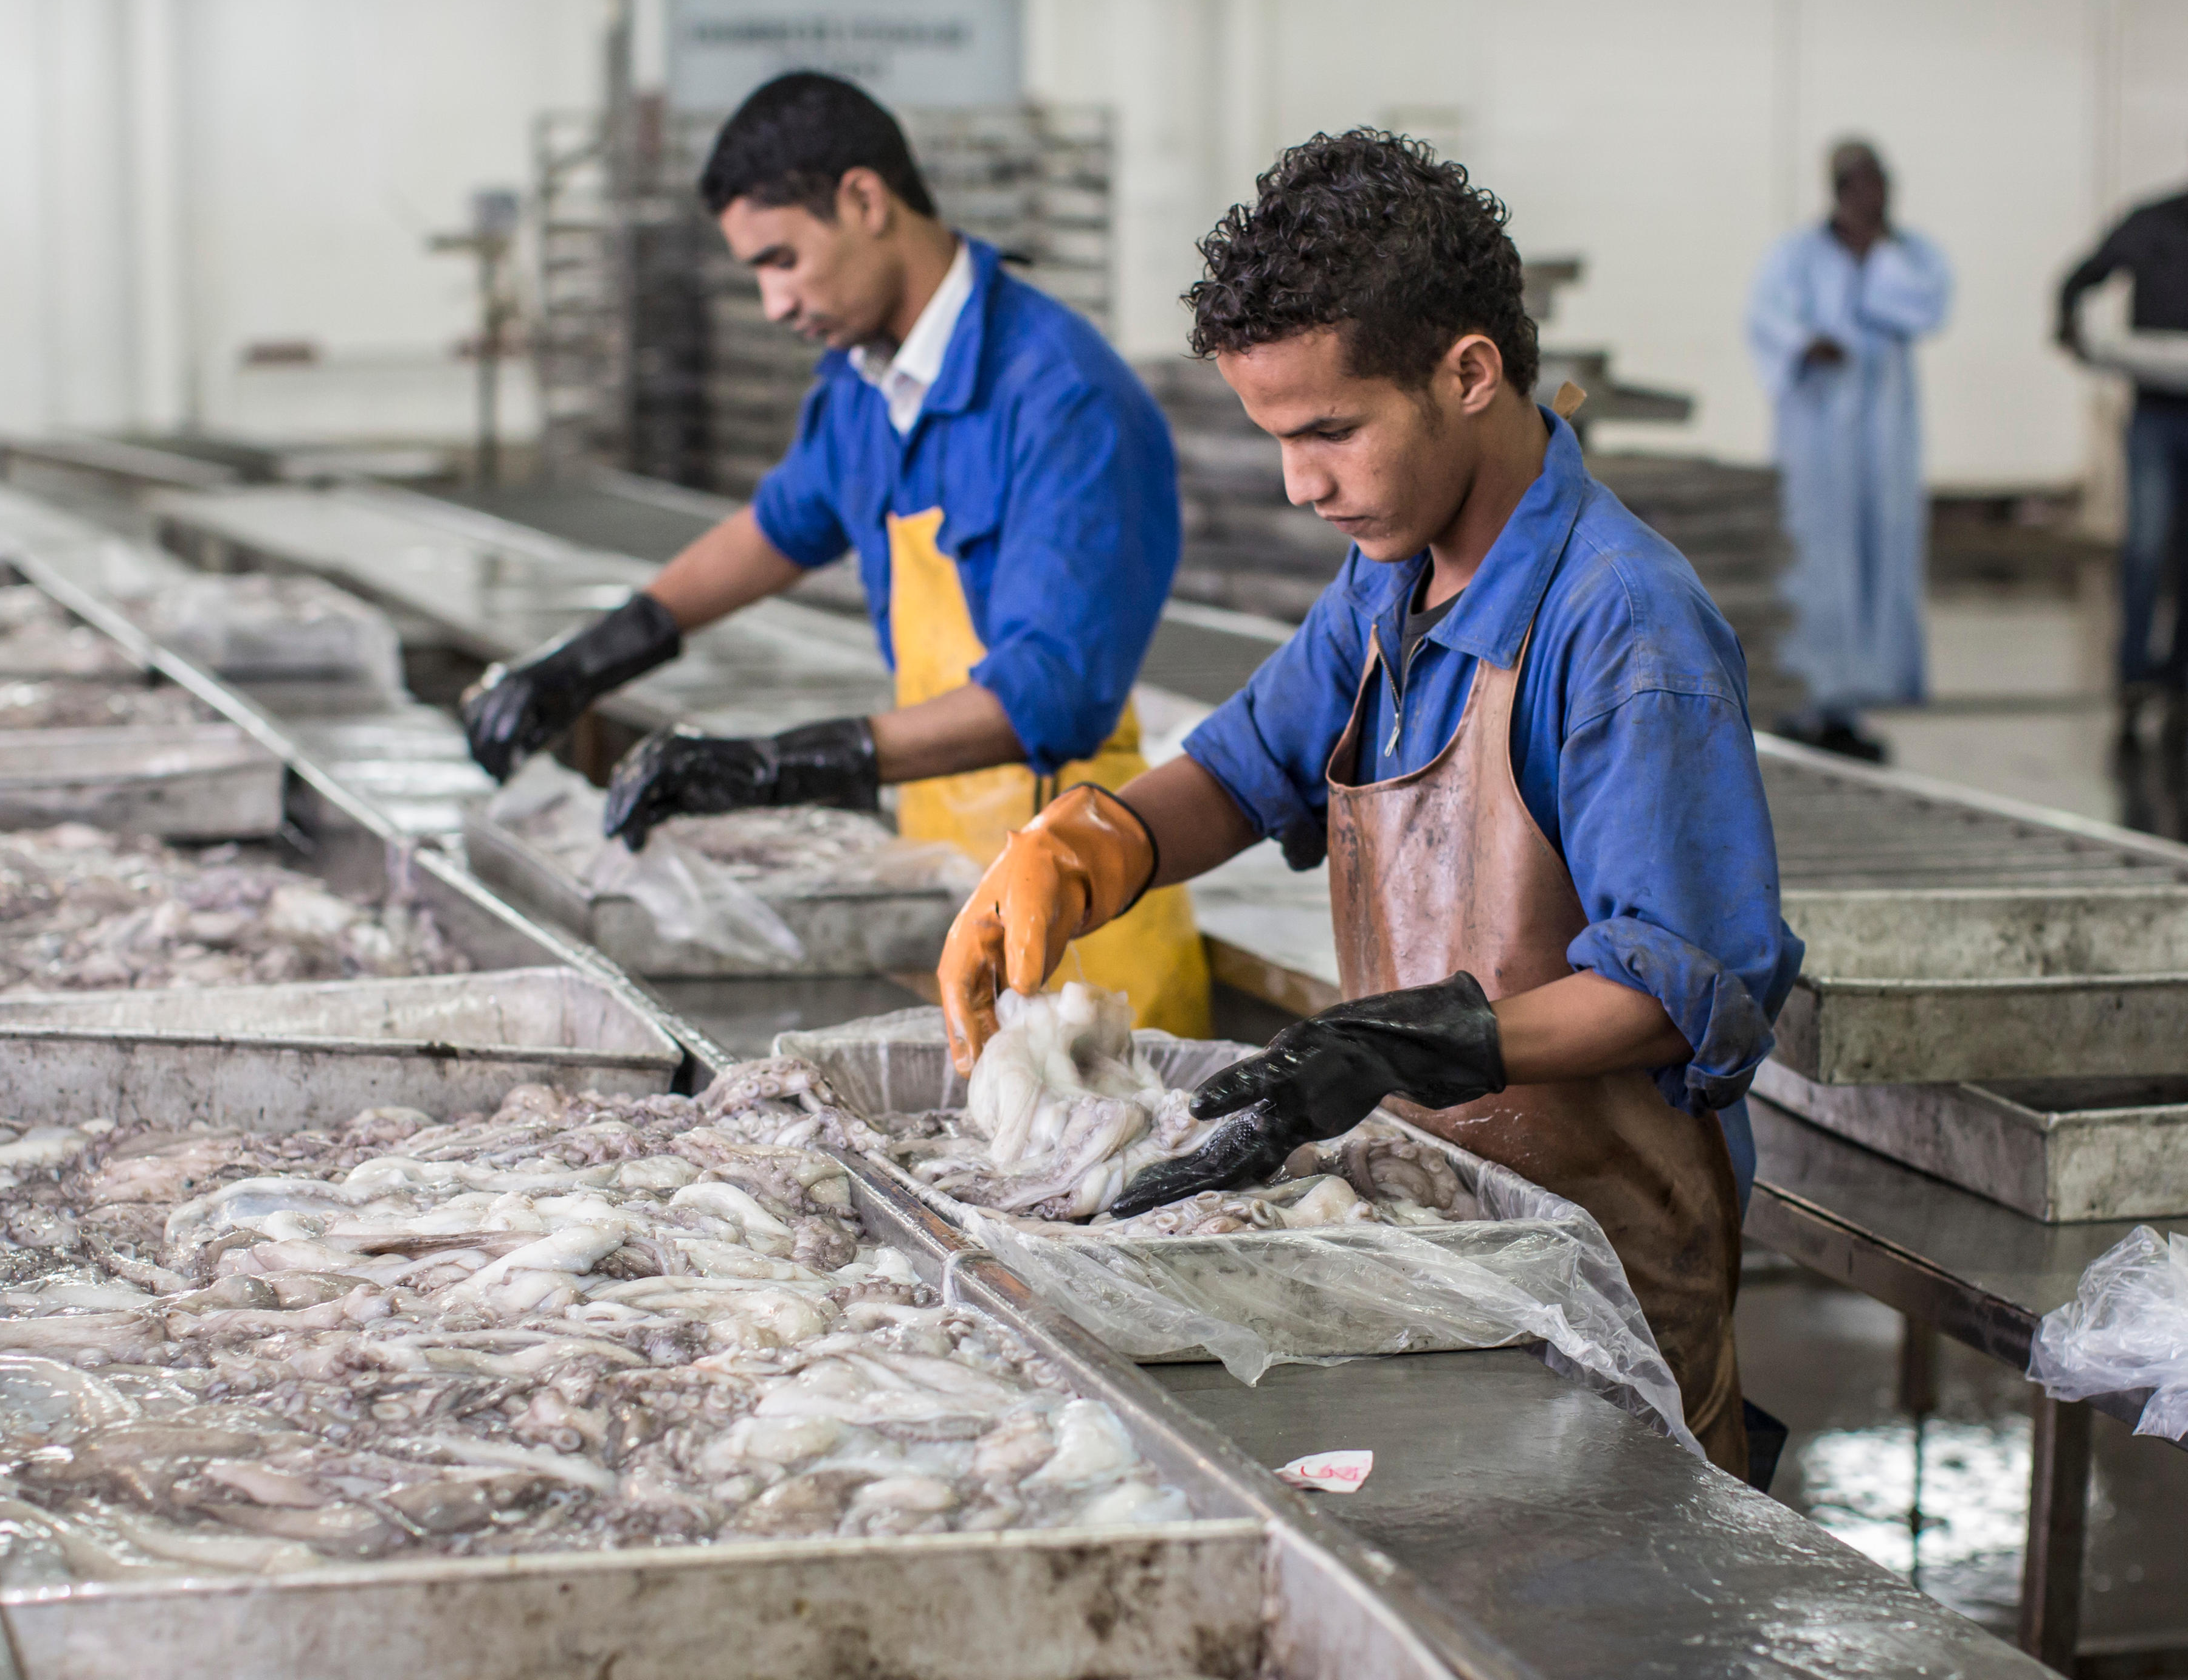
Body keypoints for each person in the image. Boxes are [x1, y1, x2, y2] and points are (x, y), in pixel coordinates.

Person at [936, 131, 1803, 1478]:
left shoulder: (1621, 626)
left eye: (1330, 431)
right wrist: (1083, 847)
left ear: (1467, 373)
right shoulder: (1388, 585)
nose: (1298, 484)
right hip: (1438, 1232)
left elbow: (1680, 982)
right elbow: (1240, 769)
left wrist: (1413, 1044)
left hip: (1604, 1277)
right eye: (1275, 439)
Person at [463, 71, 1210, 1034]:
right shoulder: (865, 385)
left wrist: (780, 765)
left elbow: (1052, 696)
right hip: (947, 884)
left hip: (1091, 925)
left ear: (864, 200)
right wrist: (585, 662)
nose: (773, 303)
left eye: (781, 259)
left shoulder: (1063, 398)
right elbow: (776, 528)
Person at [1747, 140, 1953, 764]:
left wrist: (1880, 254)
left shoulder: (1909, 254)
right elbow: (1765, 320)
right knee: (1816, 562)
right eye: (1860, 184)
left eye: (1880, 183)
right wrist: (1804, 344)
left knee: (1874, 562)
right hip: (1816, 438)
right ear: (1838, 188)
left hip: (1883, 442)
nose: (1874, 196)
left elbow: (1926, 307)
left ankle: (1851, 702)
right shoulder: (1795, 257)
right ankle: (1803, 700)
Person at [2059, 175, 2188, 728]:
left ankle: (2179, 675)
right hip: (2157, 410)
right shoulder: (2154, 221)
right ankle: (2134, 674)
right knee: (2145, 548)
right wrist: (2070, 325)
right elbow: (2082, 276)